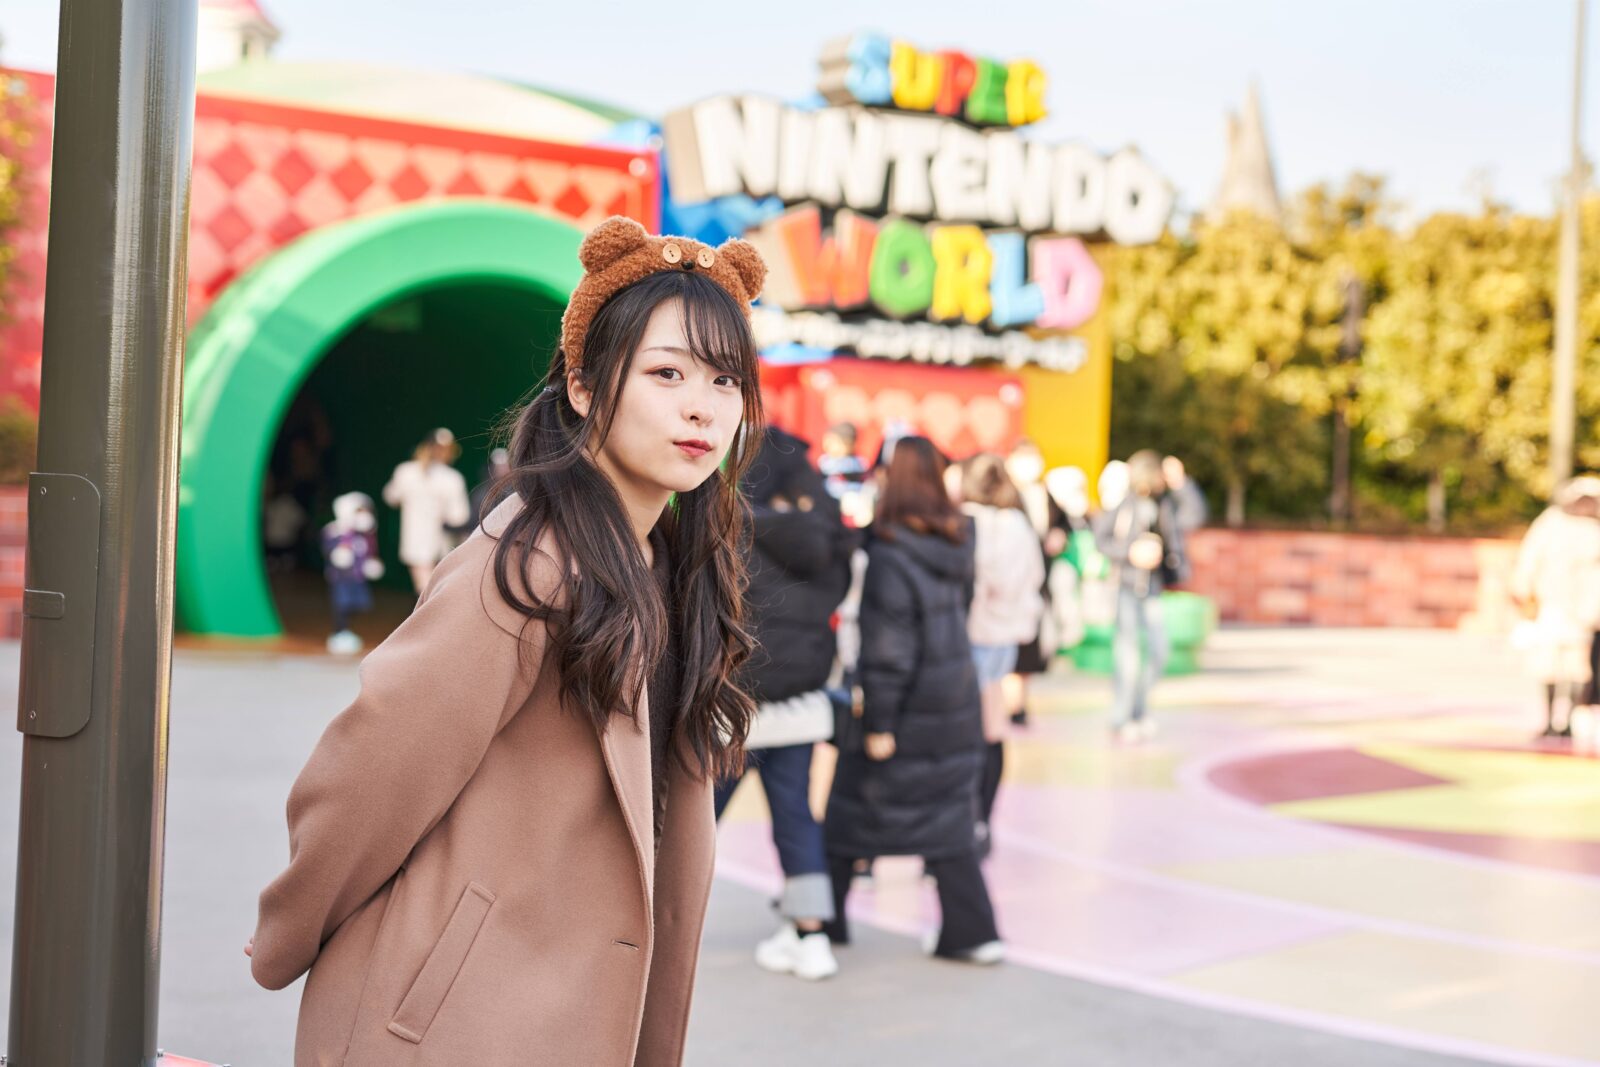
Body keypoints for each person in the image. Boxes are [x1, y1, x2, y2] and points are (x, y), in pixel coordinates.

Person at [246, 216, 769, 1066]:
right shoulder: (528, 563)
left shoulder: (674, 566)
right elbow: (371, 769)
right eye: (667, 372)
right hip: (448, 1028)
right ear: (584, 388)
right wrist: (289, 928)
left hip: (574, 1016)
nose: (701, 406)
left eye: (725, 379)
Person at [823, 436, 1002, 965]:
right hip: (954, 700)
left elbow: (889, 649)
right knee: (950, 824)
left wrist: (880, 722)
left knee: (848, 816)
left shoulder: (890, 554)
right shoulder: (956, 541)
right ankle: (973, 932)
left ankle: (820, 922)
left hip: (905, 710)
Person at [716, 428, 854, 981]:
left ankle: (649, 924)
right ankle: (812, 936)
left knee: (689, 822)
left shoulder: (729, 530)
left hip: (732, 711)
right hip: (799, 709)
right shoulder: (829, 538)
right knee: (797, 820)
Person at [958, 454, 1045, 857]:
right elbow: (1034, 577)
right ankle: (983, 822)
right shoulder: (1019, 525)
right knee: (993, 729)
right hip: (1005, 635)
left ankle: (964, 822)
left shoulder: (965, 521)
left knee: (962, 733)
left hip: (968, 635)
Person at [1097, 450, 1185, 743]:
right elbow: (1102, 539)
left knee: (1159, 650)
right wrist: (1131, 553)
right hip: (1127, 587)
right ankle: (1121, 717)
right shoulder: (1124, 503)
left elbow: (1196, 513)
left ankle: (1139, 709)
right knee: (1128, 656)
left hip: (1153, 588)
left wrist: (1181, 482)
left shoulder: (1166, 503)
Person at [1510, 476, 1600, 738]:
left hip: (1581, 611)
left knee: (1575, 668)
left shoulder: (1591, 529)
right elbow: (1529, 559)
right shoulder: (1552, 523)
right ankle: (1551, 719)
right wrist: (1524, 591)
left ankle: (1567, 720)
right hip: (1552, 605)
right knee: (1549, 665)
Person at [1002, 439, 1066, 725]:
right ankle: (1010, 704)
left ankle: (1019, 701)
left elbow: (1062, 523)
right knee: (1011, 645)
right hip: (1010, 582)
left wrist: (1058, 536)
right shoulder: (1004, 493)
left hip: (1038, 580)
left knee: (1030, 644)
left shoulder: (1044, 493)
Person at [383, 427, 471, 595]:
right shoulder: (451, 478)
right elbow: (459, 517)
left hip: (423, 542)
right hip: (438, 544)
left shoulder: (406, 471)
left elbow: (391, 497)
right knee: (434, 590)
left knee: (425, 589)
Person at [320, 491, 384, 655]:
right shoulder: (334, 531)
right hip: (340, 579)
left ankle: (346, 630)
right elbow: (328, 549)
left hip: (357, 578)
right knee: (341, 605)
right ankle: (339, 632)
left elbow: (367, 552)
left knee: (360, 604)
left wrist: (370, 563)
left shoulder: (364, 536)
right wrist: (339, 553)